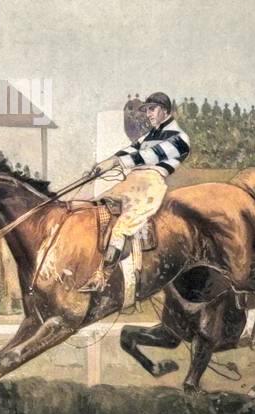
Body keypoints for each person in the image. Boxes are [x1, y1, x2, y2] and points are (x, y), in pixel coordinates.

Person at [79, 92, 191, 293]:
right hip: (131, 182)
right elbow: (130, 150)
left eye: (152, 109)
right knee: (97, 208)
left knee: (122, 227)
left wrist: (116, 162)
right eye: (147, 109)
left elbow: (149, 156)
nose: (148, 114)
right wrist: (104, 165)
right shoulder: (151, 135)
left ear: (165, 110)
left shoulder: (180, 138)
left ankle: (102, 277)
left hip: (150, 184)